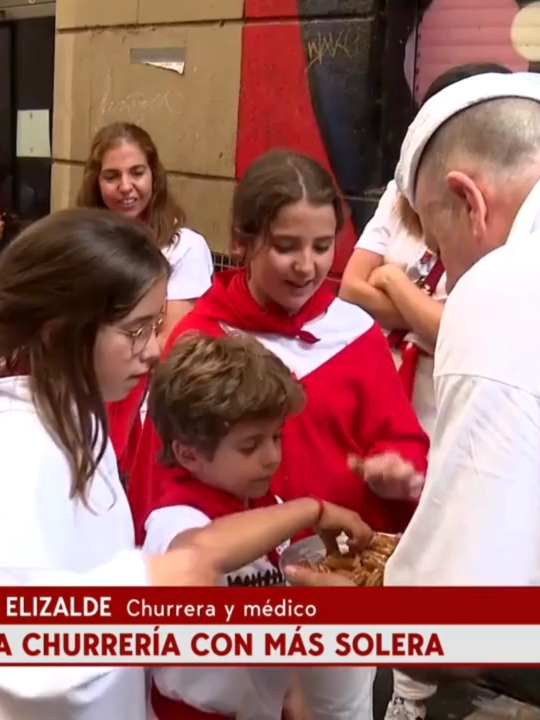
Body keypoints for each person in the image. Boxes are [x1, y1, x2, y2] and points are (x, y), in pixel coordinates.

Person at [0, 207, 371, 720]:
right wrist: (156, 582)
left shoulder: (80, 420)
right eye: (134, 331)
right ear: (61, 329)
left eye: (155, 324)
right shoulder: (20, 449)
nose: (153, 349)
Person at [125, 148, 430, 720]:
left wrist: (397, 466)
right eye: (286, 246)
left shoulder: (353, 331)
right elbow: (159, 475)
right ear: (242, 242)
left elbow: (400, 436)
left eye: (322, 247)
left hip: (332, 582)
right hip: (235, 596)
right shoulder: (199, 341)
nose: (307, 266)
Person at [287, 72, 540, 685]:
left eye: (436, 233)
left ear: (469, 199)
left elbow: (456, 632)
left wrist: (353, 610)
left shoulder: (504, 286)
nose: (447, 271)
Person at [144, 331, 373, 720]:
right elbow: (194, 553)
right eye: (250, 446)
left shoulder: (263, 503)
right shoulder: (177, 518)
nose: (271, 457)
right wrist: (309, 510)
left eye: (277, 437)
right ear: (189, 454)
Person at [340, 63, 510, 437]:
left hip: (444, 400)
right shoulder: (399, 193)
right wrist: (429, 317)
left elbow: (462, 333)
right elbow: (351, 289)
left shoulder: (506, 215)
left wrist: (390, 281)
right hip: (383, 378)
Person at [77, 122, 214, 476]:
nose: (126, 187)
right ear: (96, 182)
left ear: (154, 176)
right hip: (82, 395)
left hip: (145, 405)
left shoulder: (185, 247)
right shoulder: (79, 241)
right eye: (112, 176)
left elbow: (171, 341)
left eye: (137, 172)